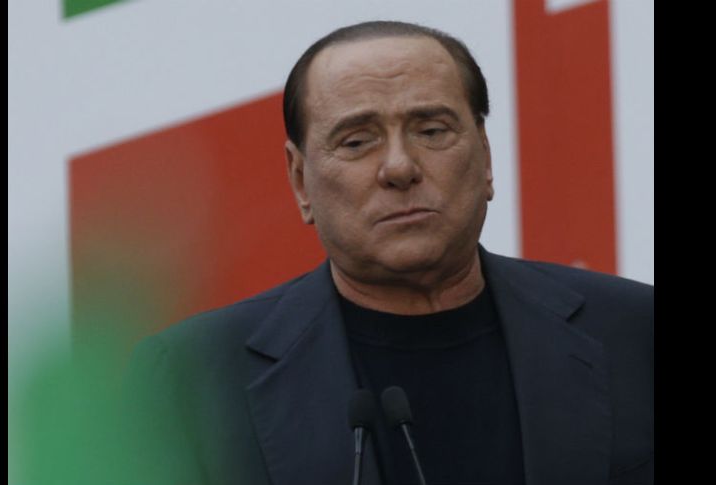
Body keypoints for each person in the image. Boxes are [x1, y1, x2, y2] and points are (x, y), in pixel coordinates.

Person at [123, 21, 653, 485]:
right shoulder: (192, 380)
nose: (400, 167)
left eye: (431, 130)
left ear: (486, 157)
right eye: (357, 142)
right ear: (301, 181)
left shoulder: (636, 332)